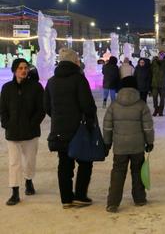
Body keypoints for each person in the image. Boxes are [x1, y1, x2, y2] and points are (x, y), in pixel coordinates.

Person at [44, 48, 97, 208]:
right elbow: (87, 105)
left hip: (59, 130)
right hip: (78, 130)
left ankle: (66, 199)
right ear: (75, 61)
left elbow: (46, 106)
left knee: (64, 164)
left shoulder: (52, 81)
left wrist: (59, 118)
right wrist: (89, 120)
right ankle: (80, 195)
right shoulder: (79, 79)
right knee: (85, 162)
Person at [103, 76, 154, 213]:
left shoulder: (114, 105)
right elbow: (148, 127)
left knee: (118, 173)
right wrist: (150, 142)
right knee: (137, 171)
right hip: (137, 146)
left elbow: (107, 126)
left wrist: (107, 143)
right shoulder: (141, 105)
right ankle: (139, 198)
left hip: (120, 147)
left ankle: (113, 202)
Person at [1, 58, 45, 206]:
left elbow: (41, 109)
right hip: (12, 132)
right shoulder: (7, 88)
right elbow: (3, 109)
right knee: (14, 163)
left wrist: (32, 124)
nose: (23, 70)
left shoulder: (36, 87)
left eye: (25, 68)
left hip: (30, 132)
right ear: (14, 70)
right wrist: (6, 123)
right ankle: (14, 192)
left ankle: (29, 180)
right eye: (20, 68)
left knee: (29, 161)